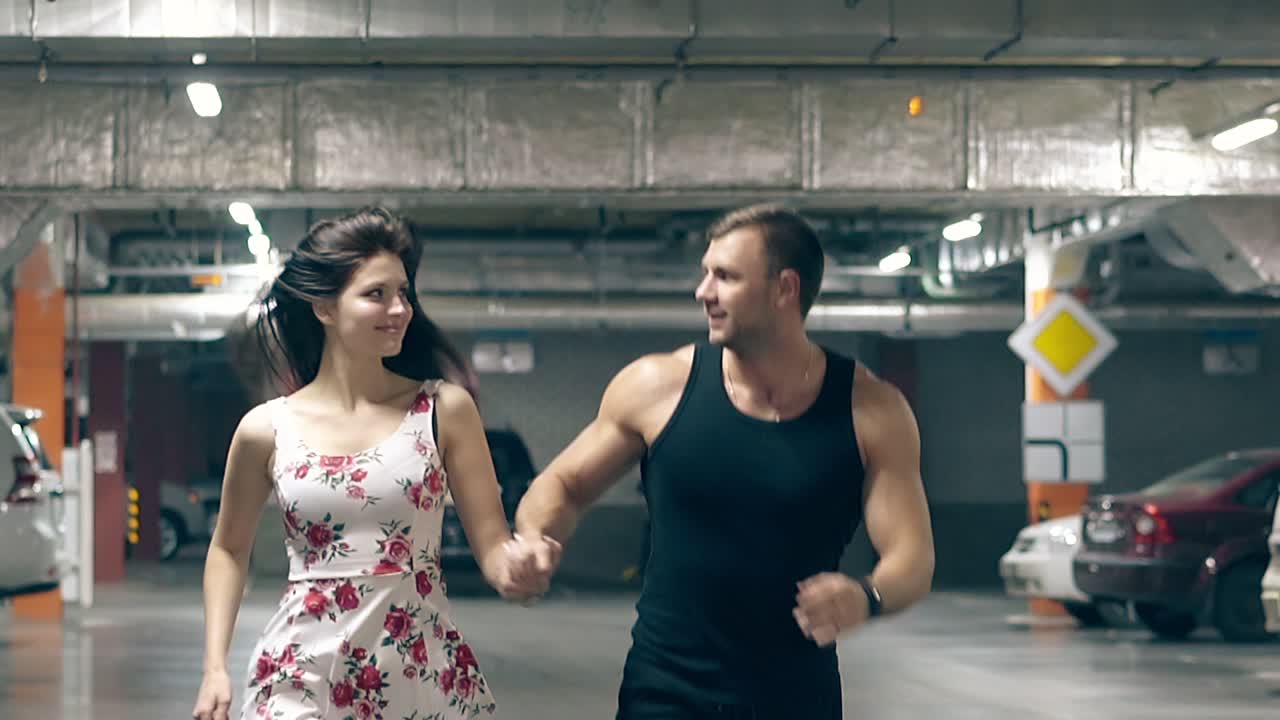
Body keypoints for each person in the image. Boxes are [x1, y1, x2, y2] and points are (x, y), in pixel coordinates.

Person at [511, 203, 936, 718]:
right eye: (705, 274)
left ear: (786, 289)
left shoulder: (871, 410)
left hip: (796, 695)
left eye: (726, 277)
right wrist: (536, 537)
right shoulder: (656, 386)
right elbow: (563, 484)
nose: (703, 291)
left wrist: (866, 597)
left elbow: (911, 557)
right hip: (664, 690)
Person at [191, 208, 549, 720]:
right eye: (376, 294)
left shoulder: (442, 411)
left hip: (418, 670)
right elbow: (228, 548)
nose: (399, 308)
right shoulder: (265, 430)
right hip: (298, 674)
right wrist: (214, 668)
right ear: (324, 308)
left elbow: (492, 546)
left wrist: (516, 569)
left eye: (403, 293)